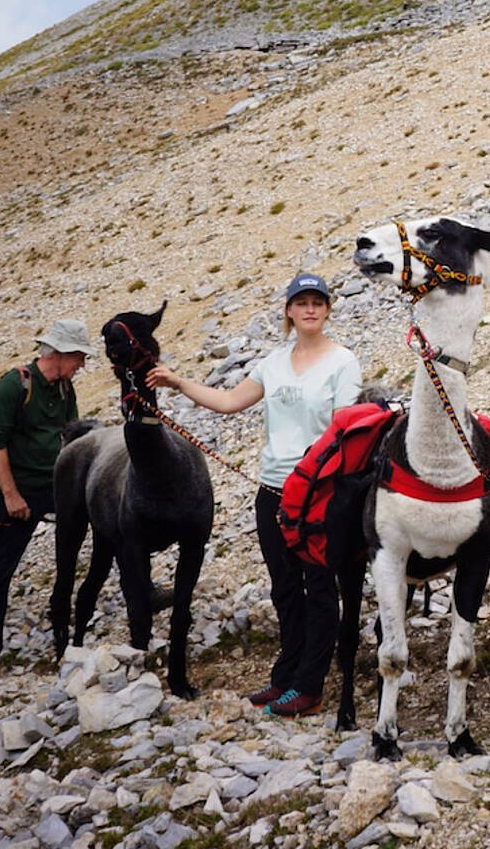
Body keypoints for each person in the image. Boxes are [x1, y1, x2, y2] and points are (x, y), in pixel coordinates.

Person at [148, 273, 360, 718]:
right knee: (285, 587)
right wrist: (179, 383)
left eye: (317, 302)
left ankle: (310, 685)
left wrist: (314, 465)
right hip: (273, 490)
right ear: (288, 310)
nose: (309, 309)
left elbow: (344, 427)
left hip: (318, 491)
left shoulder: (344, 362)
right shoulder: (273, 363)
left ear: (327, 310)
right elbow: (228, 402)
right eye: (301, 302)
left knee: (319, 588)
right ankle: (286, 675)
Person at [0, 318, 92, 679]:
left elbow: (72, 437)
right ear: (59, 353)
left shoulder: (64, 389)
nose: (83, 365)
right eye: (79, 357)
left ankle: (144, 589)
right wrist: (10, 495)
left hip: (55, 486)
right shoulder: (15, 385)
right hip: (16, 491)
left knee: (112, 521)